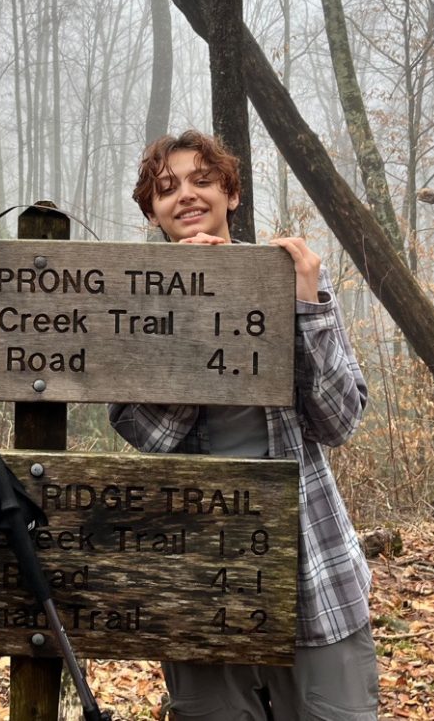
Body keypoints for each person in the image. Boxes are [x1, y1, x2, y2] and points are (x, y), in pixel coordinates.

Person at [108, 130, 378, 720]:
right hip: (198, 566)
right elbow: (147, 434)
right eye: (166, 187)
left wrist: (309, 309)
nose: (186, 195)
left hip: (312, 559)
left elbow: (338, 422)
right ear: (152, 212)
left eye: (202, 180)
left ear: (231, 194)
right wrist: (188, 314)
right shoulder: (136, 303)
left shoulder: (289, 276)